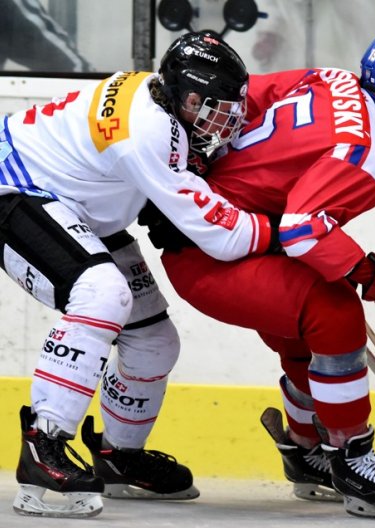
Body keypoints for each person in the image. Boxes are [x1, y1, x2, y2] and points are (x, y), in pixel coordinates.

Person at [144, 31, 375, 521]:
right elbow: (304, 230)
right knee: (332, 310)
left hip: (217, 230)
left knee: (306, 327)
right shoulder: (367, 154)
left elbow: (244, 95)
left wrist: (197, 166)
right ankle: (353, 459)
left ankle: (307, 449)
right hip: (214, 253)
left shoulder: (330, 79)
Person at [0, 30, 278, 518]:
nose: (222, 121)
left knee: (154, 342)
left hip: (72, 203)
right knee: (100, 292)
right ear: (184, 96)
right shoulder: (148, 131)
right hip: (15, 189)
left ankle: (118, 458)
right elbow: (222, 235)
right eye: (209, 106)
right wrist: (287, 232)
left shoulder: (159, 100)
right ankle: (42, 446)